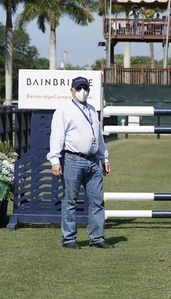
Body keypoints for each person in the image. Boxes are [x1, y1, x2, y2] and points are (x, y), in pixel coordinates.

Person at [47, 76, 114, 250]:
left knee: (97, 200)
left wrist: (103, 158)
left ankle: (97, 237)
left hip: (92, 161)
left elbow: (97, 137)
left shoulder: (92, 110)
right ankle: (69, 238)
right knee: (70, 201)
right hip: (72, 159)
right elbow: (57, 136)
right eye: (79, 88)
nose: (82, 91)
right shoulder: (63, 110)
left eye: (85, 88)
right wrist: (55, 160)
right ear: (72, 90)